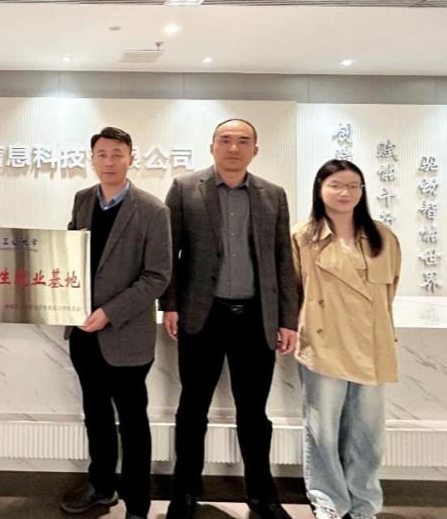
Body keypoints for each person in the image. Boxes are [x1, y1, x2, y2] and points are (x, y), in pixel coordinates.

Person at [162, 118, 300, 519]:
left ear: (256, 149)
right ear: (212, 147)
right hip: (202, 316)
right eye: (225, 140)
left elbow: (282, 259)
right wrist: (170, 304)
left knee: (254, 413)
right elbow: (171, 252)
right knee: (192, 409)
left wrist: (287, 318)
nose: (233, 148)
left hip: (256, 318)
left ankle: (262, 495)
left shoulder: (273, 195)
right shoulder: (185, 188)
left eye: (243, 141)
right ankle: (184, 492)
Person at [59, 127, 172, 519]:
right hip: (83, 332)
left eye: (117, 154)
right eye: (102, 154)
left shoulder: (153, 210)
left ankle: (138, 503)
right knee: (96, 415)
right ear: (92, 158)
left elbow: (157, 276)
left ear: (130, 158)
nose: (109, 162)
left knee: (133, 422)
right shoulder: (82, 200)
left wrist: (110, 312)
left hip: (126, 334)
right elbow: (70, 255)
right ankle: (101, 487)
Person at [292, 160, 401, 519]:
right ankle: (328, 500)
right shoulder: (303, 237)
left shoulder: (383, 237)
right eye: (336, 185)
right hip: (324, 343)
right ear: (320, 189)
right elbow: (293, 291)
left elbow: (389, 292)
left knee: (368, 432)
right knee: (322, 429)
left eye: (354, 186)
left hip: (372, 343)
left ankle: (364, 503)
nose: (345, 193)